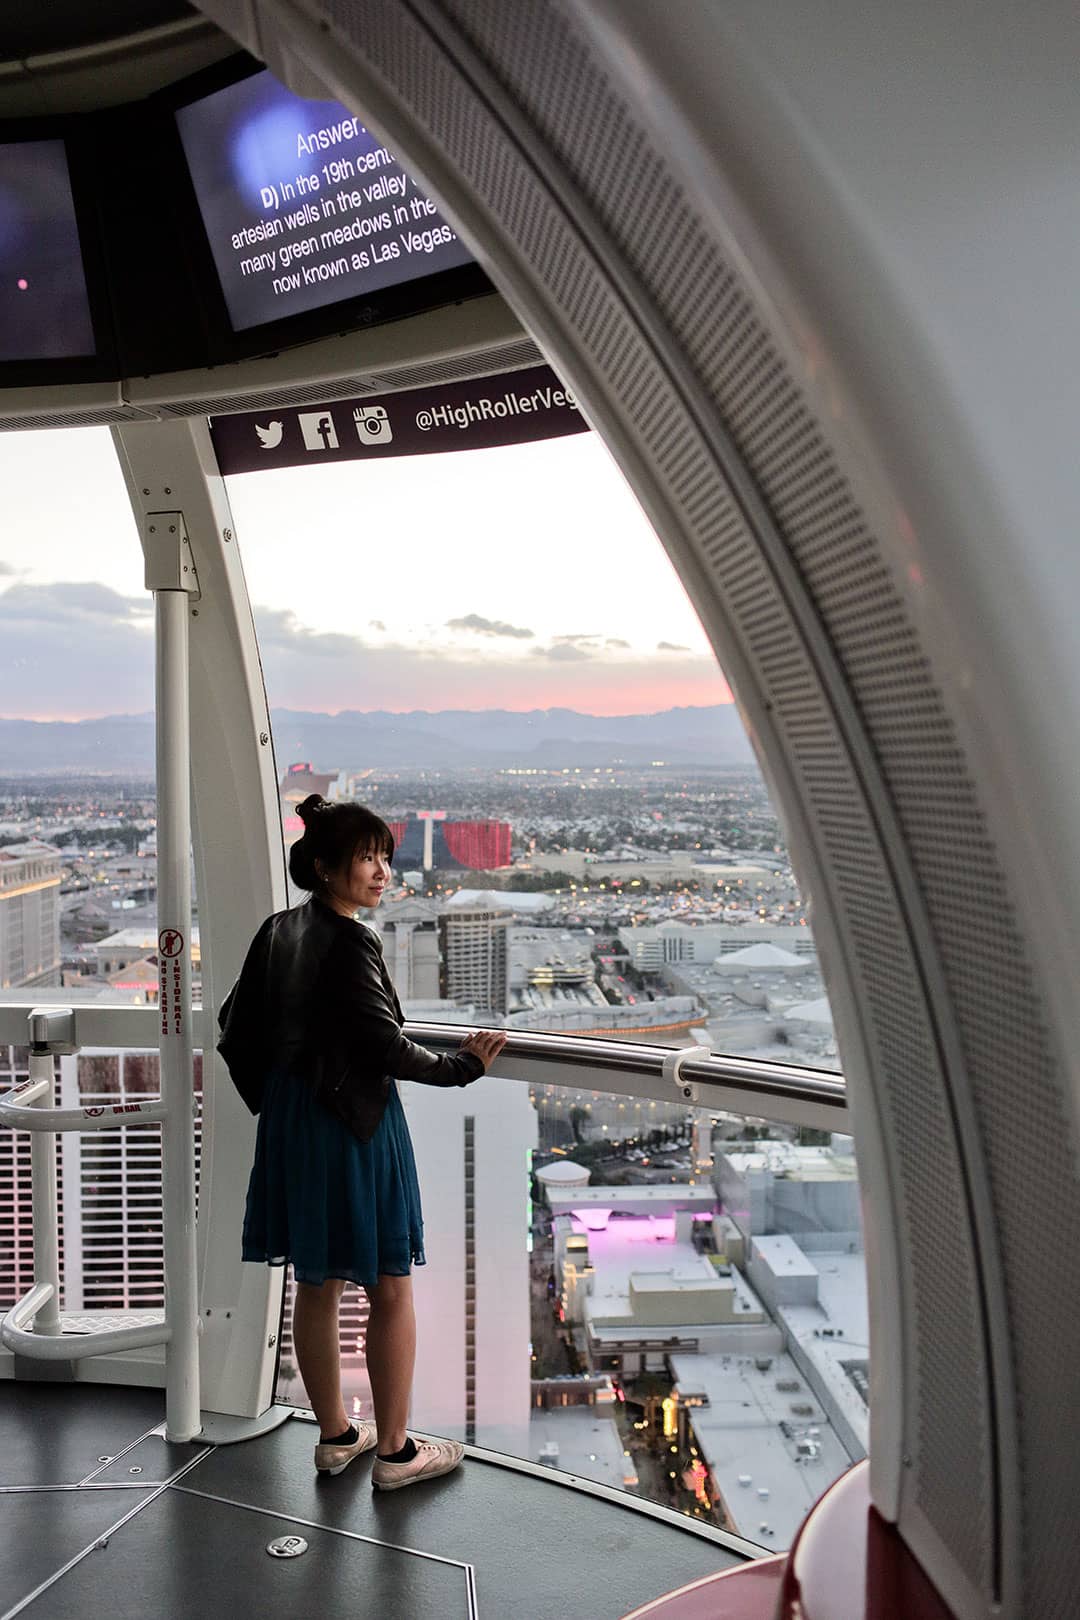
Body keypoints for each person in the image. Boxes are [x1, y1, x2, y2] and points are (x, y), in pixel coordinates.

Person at [217, 794, 506, 1491]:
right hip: (351, 1124)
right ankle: (397, 1454)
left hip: (296, 1120)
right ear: (324, 867)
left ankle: (337, 1437)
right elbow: (385, 1044)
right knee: (390, 1288)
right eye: (365, 859)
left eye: (382, 856)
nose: (381, 872)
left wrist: (281, 1101)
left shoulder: (279, 929)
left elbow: (234, 1028)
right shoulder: (351, 942)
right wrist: (463, 1068)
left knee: (316, 1286)